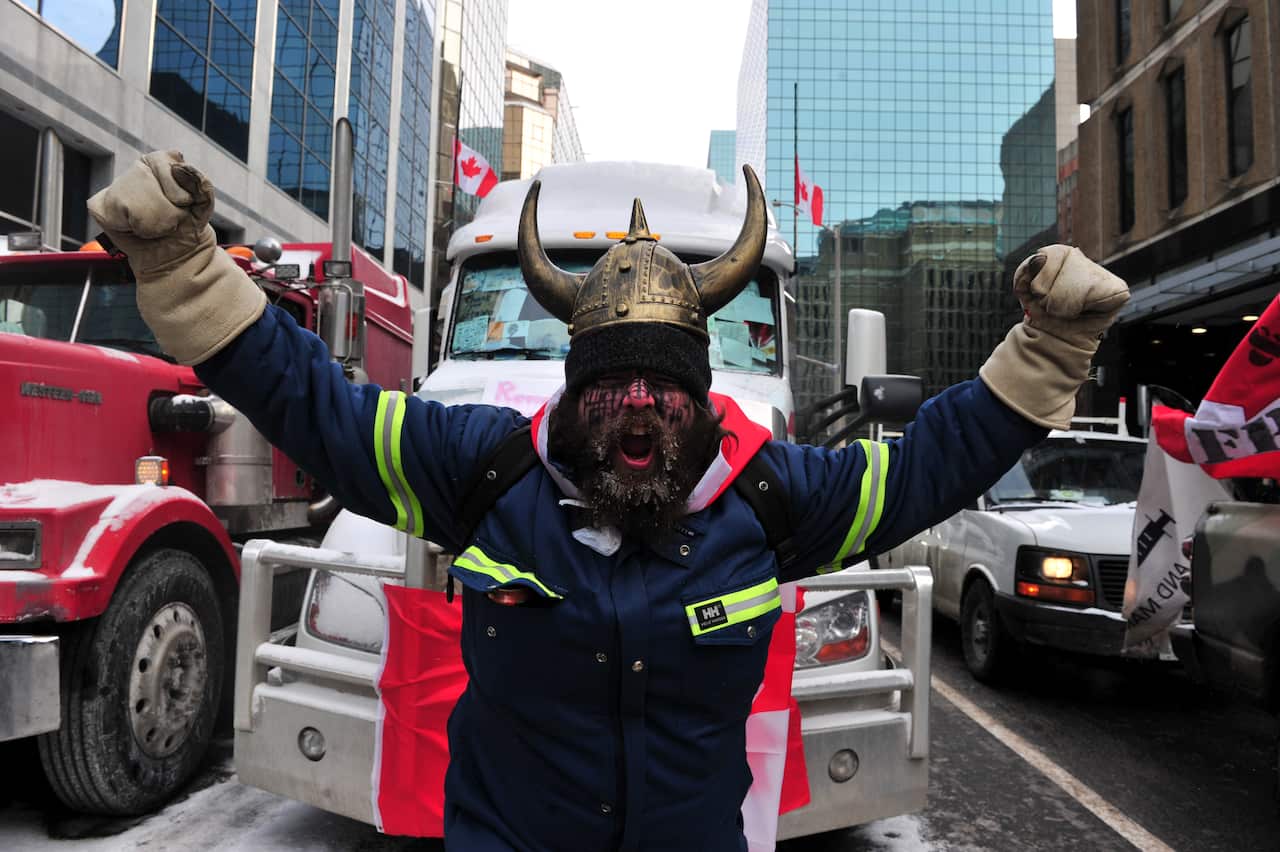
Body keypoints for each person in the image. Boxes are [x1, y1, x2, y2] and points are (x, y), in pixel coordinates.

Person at [88, 151, 1128, 851]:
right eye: (611, 384)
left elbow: (927, 466)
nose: (638, 404)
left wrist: (1050, 348)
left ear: (700, 399)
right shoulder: (482, 472)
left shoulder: (773, 500)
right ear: (572, 393)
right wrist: (185, 268)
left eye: (663, 386)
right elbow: (315, 405)